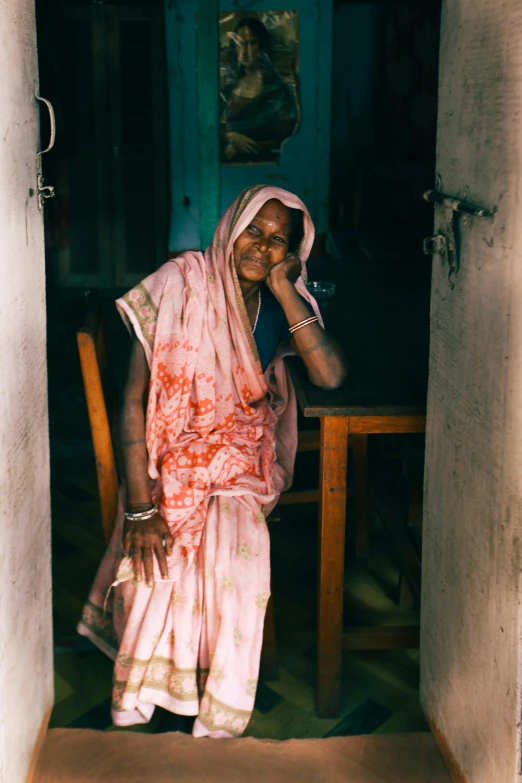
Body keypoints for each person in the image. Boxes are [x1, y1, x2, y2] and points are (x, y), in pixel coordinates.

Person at [78, 185, 346, 738]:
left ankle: (216, 701)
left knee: (238, 560)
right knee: (159, 559)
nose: (262, 246)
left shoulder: (282, 299)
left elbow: (331, 376)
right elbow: (132, 400)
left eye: (279, 241)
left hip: (242, 458)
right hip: (172, 453)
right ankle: (152, 691)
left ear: (294, 251)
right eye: (254, 229)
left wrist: (284, 287)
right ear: (231, 224)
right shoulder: (179, 285)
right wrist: (139, 507)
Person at [221, 17, 298, 163]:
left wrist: (247, 146)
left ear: (262, 46)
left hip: (267, 169)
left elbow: (287, 139)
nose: (244, 51)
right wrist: (230, 137)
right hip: (226, 170)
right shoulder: (228, 89)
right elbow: (208, 127)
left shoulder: (277, 90)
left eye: (251, 43)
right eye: (239, 44)